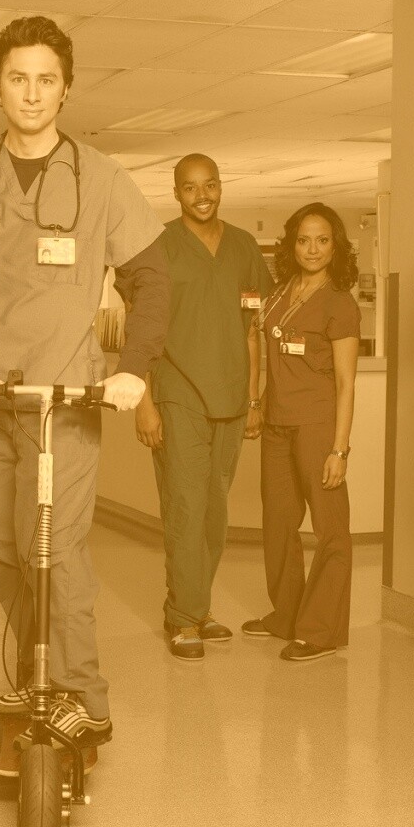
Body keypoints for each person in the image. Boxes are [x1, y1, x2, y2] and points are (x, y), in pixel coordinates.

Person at [0, 15, 170, 749]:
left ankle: (84, 694)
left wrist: (131, 371)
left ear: (66, 89)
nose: (32, 94)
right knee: (1, 548)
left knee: (54, 550)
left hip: (65, 401)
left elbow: (153, 281)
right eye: (17, 79)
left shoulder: (102, 178)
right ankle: (41, 672)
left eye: (46, 80)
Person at [135, 153, 274, 661]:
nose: (202, 196)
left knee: (215, 512)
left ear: (220, 186)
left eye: (210, 184)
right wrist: (144, 402)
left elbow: (252, 328)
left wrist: (254, 397)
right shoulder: (158, 247)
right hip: (179, 393)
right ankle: (181, 616)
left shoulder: (243, 247)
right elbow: (140, 332)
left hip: (231, 396)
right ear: (176, 193)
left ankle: (198, 606)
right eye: (190, 187)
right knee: (185, 507)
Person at [243, 202, 360, 662]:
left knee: (330, 530)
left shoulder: (339, 303)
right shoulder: (278, 294)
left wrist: (339, 449)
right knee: (278, 525)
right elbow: (261, 347)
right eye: (304, 240)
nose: (313, 249)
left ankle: (321, 631)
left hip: (317, 426)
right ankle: (287, 615)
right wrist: (256, 403)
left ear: (335, 246)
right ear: (291, 244)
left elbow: (346, 382)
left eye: (323, 240)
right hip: (277, 424)